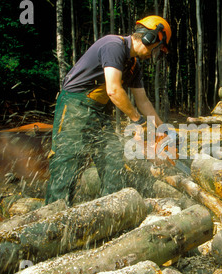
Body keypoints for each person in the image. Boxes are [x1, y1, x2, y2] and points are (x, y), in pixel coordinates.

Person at [45, 15, 173, 206]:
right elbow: (113, 90)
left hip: (99, 113)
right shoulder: (113, 45)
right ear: (151, 39)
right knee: (68, 163)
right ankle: (53, 220)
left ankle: (111, 213)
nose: (153, 55)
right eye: (156, 50)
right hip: (75, 107)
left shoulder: (133, 65)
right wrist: (137, 121)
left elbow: (143, 100)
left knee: (113, 161)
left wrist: (165, 131)